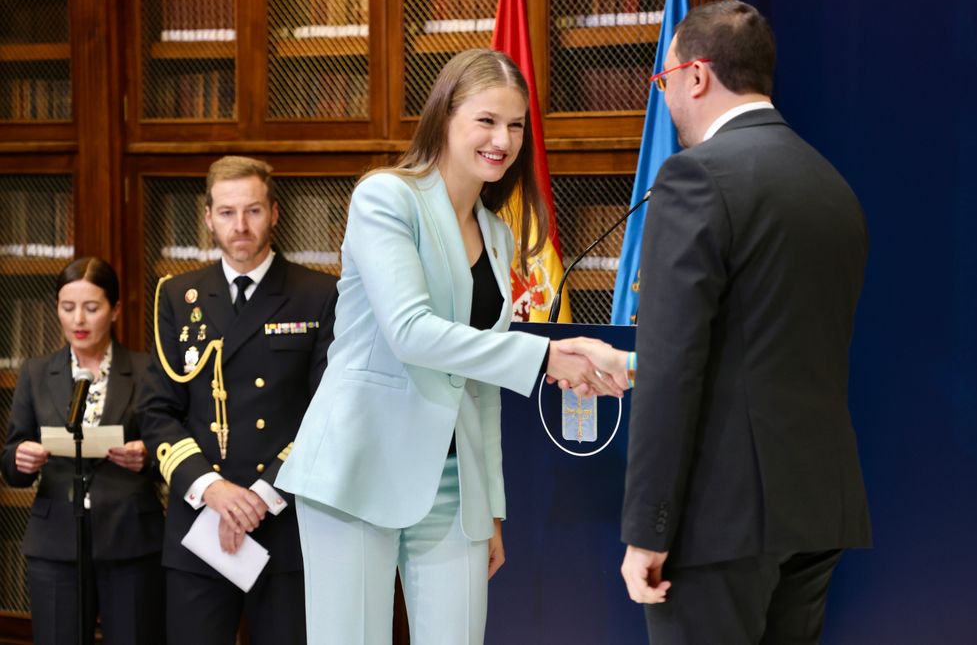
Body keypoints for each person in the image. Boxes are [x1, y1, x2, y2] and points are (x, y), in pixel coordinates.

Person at [274, 48, 625, 645]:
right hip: (359, 466)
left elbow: (477, 385)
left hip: (455, 485)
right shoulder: (386, 198)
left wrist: (488, 504)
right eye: (486, 120)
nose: (503, 139)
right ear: (445, 116)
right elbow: (410, 332)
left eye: (515, 125)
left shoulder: (497, 231)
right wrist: (544, 356)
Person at [607, 0, 872, 644]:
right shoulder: (830, 183)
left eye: (663, 81)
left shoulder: (695, 176)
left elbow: (675, 368)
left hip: (719, 524)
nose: (665, 98)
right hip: (816, 511)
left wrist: (647, 527)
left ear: (696, 76)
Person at [137, 156, 338, 645]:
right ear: (207, 217)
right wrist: (215, 492)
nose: (240, 226)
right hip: (200, 524)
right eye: (227, 213)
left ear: (274, 212)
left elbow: (328, 413)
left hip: (285, 520)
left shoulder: (319, 294)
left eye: (252, 211)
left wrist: (259, 499)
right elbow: (158, 412)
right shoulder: (177, 295)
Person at [0, 257, 165, 645]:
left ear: (116, 310)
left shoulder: (146, 371)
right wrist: (21, 457)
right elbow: (10, 460)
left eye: (92, 308)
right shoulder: (37, 373)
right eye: (67, 307)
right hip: (55, 541)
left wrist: (148, 456)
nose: (79, 320)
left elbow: (170, 447)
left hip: (130, 539)